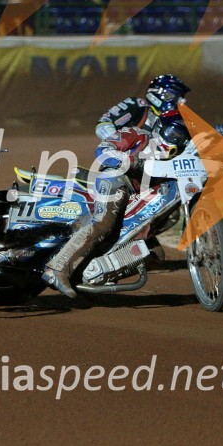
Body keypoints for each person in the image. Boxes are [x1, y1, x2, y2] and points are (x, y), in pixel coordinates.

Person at [41, 74, 192, 298]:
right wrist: (126, 159)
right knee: (103, 225)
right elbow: (103, 148)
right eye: (172, 133)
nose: (176, 139)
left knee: (155, 254)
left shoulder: (180, 147)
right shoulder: (137, 131)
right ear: (159, 128)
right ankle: (57, 268)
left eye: (180, 135)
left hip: (144, 191)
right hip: (116, 180)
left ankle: (93, 269)